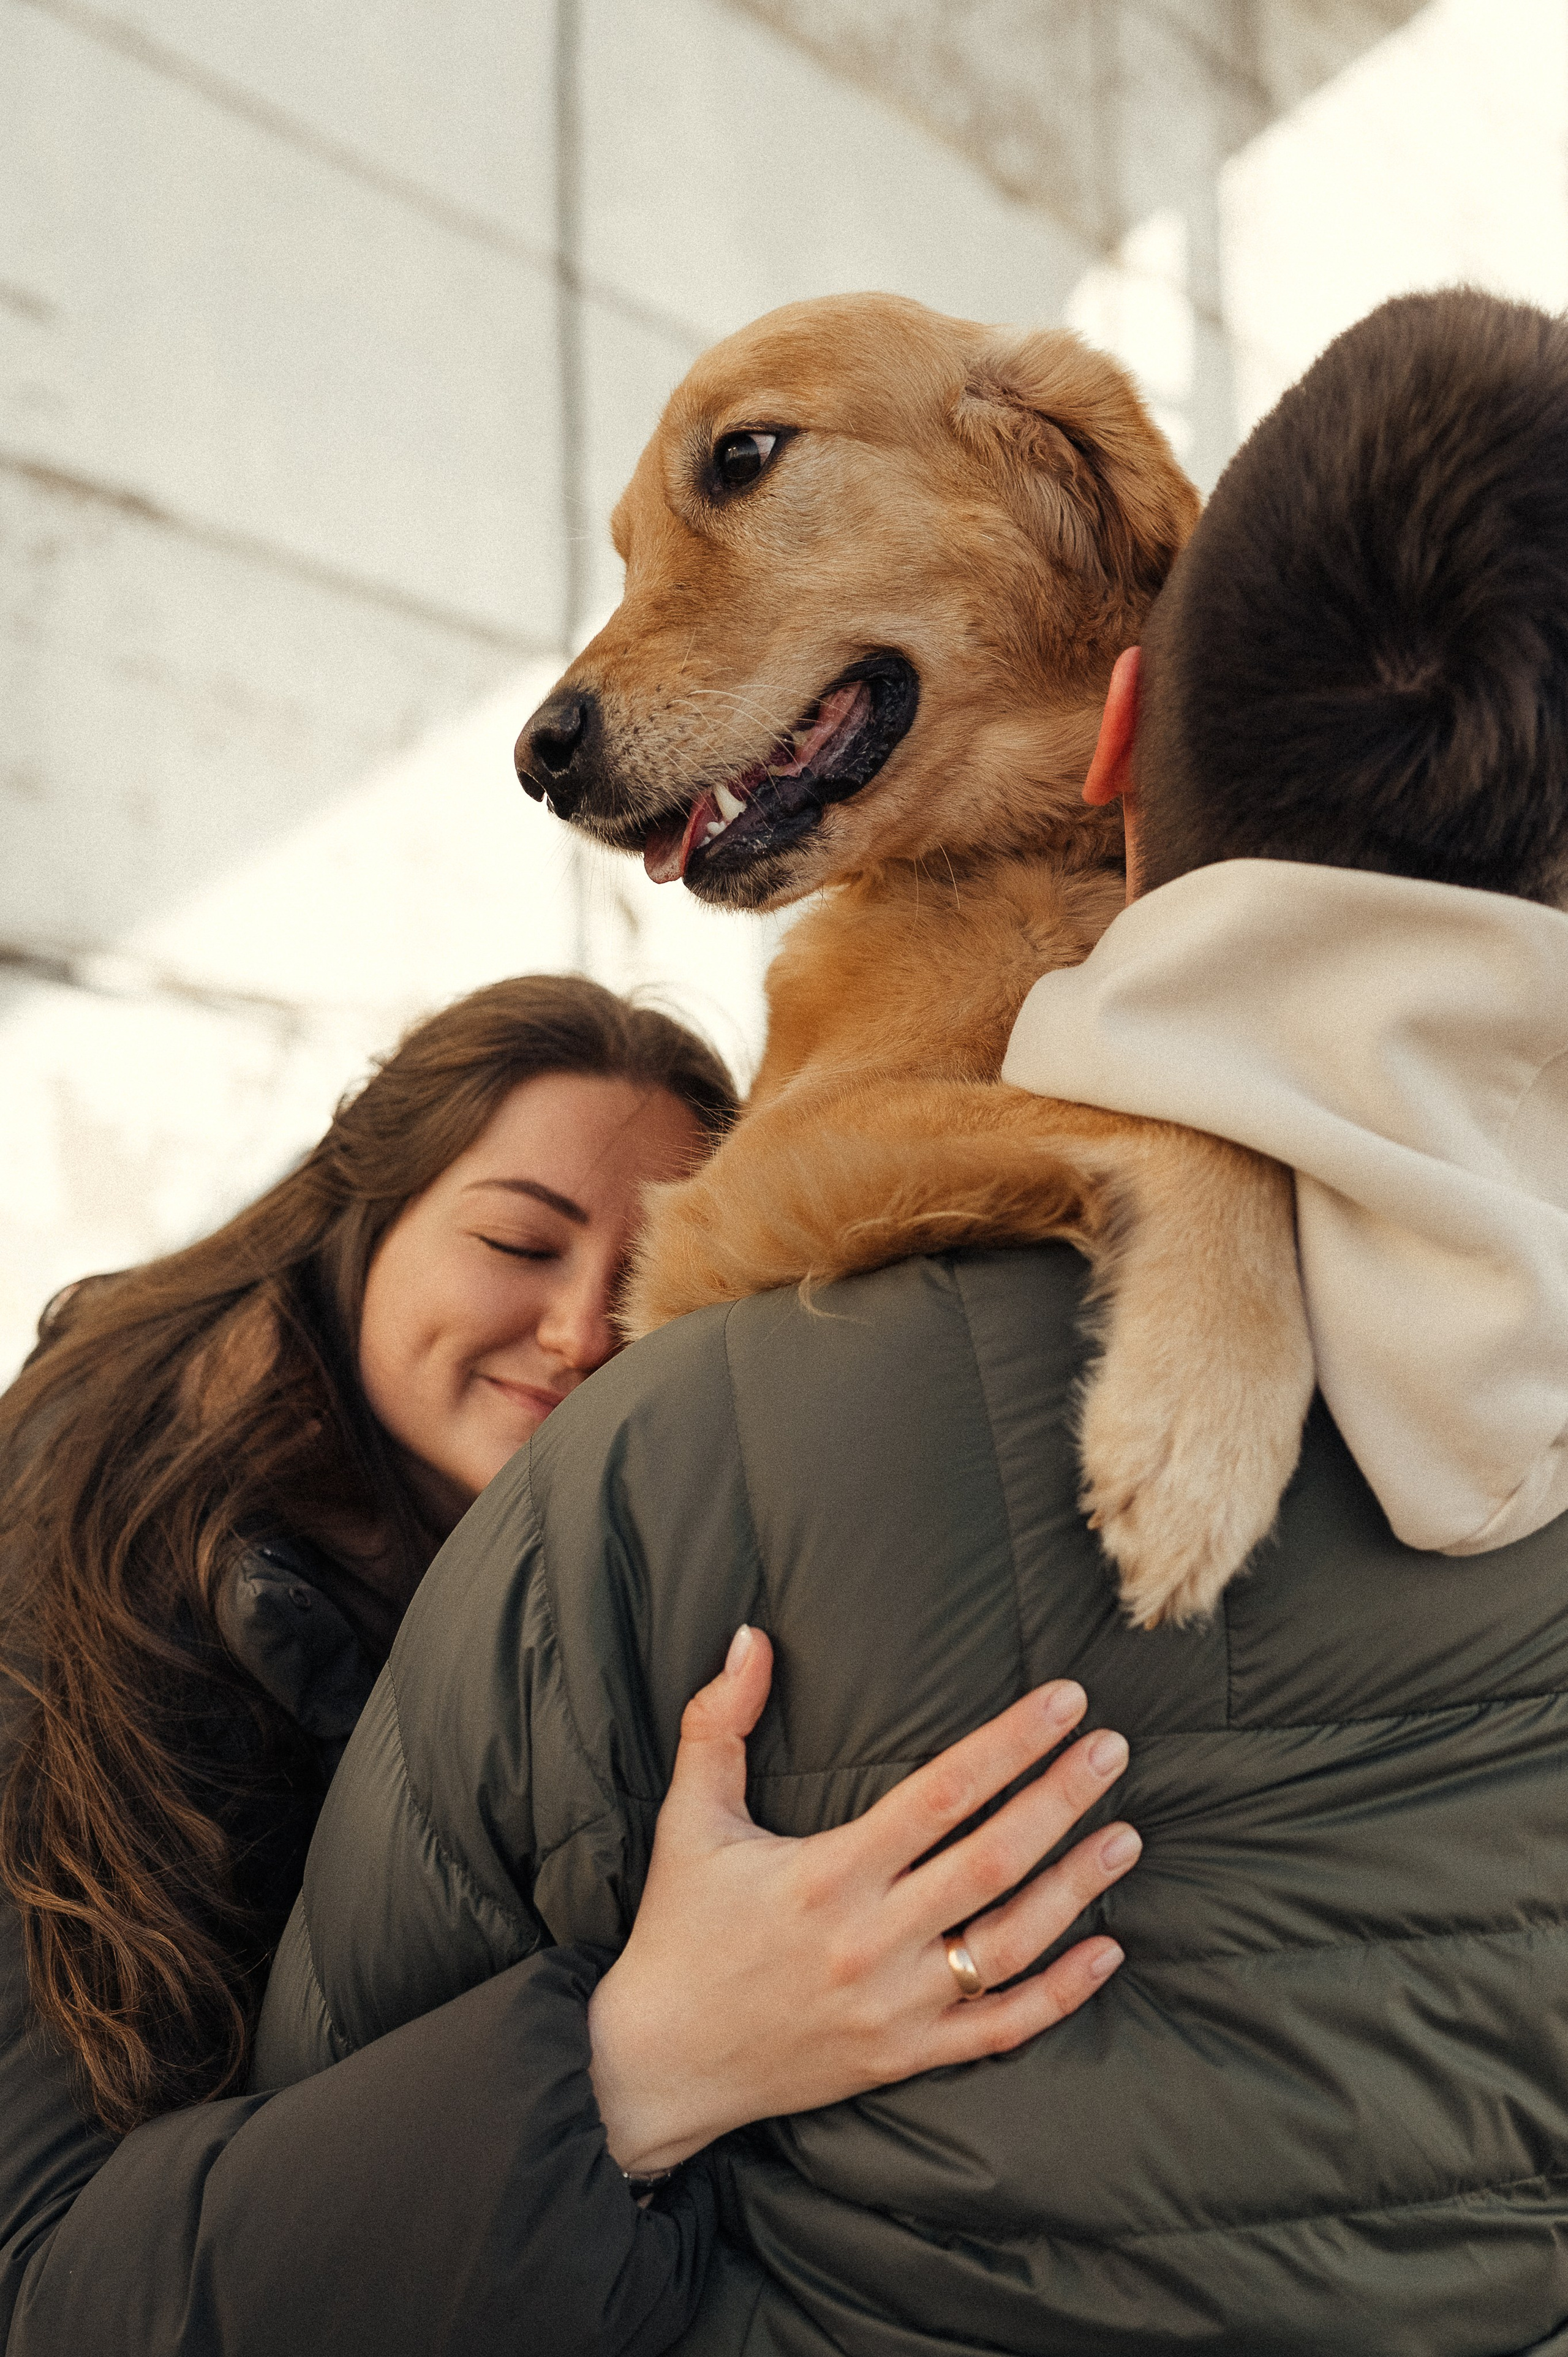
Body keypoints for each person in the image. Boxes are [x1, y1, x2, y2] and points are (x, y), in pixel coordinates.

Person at [256, 286, 1568, 2355]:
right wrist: (1169, 1179)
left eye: (745, 465)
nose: (600, 679)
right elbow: (744, 1224)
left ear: (1085, 496)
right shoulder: (868, 998)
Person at [0, 973, 1140, 2355]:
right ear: (359, 1219)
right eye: (519, 1241)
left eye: (653, 1263)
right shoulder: (72, 1595)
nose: (579, 1328)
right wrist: (638, 2064)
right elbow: (54, 2292)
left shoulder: (586, 1600)